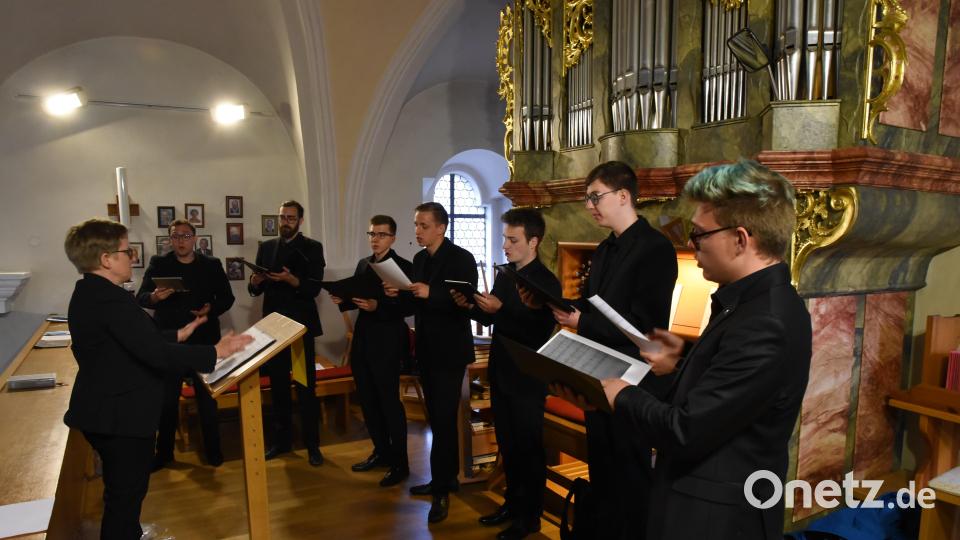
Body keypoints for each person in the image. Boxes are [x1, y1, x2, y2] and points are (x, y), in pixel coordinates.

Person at [597, 159, 812, 539]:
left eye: (699, 235)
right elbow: (721, 402)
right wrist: (673, 368)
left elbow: (686, 430)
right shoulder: (746, 302)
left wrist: (623, 394)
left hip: (717, 518)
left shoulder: (767, 321)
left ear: (741, 239)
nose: (692, 246)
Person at [63, 218, 251, 540]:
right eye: (126, 251)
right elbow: (153, 354)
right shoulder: (109, 299)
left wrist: (180, 333)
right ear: (106, 259)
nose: (132, 257)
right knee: (124, 500)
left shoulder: (90, 292)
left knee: (124, 496)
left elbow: (133, 341)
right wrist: (215, 352)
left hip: (107, 411)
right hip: (119, 416)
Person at [548, 161, 678, 540]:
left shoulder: (655, 248)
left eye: (595, 196)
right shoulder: (604, 249)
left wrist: (581, 323)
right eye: (587, 198)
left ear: (624, 196)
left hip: (633, 377)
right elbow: (595, 305)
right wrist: (566, 311)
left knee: (630, 473)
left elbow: (647, 327)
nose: (589, 205)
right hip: (599, 372)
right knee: (602, 468)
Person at [452, 208, 560, 540]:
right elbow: (495, 320)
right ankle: (512, 505)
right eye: (504, 239)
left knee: (529, 449)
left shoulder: (545, 281)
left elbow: (539, 331)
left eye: (512, 240)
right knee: (509, 446)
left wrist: (501, 310)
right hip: (502, 371)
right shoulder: (506, 274)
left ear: (534, 241)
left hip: (528, 378)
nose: (506, 246)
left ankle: (530, 519)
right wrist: (469, 305)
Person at [385, 202, 477, 523]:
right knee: (434, 420)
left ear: (441, 227)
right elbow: (416, 301)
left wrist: (429, 293)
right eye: (416, 225)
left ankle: (442, 490)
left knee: (442, 418)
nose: (418, 231)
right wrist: (400, 292)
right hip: (425, 349)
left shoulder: (461, 259)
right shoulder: (420, 259)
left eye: (423, 225)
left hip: (450, 352)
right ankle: (444, 479)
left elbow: (465, 302)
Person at [137, 219, 235, 469]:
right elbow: (141, 297)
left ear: (194, 238)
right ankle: (165, 453)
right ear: (170, 240)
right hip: (170, 341)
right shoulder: (159, 263)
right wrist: (155, 297)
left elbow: (227, 297)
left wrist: (210, 308)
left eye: (185, 236)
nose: (180, 241)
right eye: (175, 236)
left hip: (203, 340)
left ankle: (213, 451)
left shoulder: (211, 265)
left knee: (207, 400)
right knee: (167, 401)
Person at [332, 215, 414, 487]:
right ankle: (381, 451)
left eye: (381, 234)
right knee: (366, 399)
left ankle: (400, 464)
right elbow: (358, 296)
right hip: (364, 338)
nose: (375, 239)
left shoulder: (403, 266)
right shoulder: (363, 264)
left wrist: (378, 306)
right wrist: (342, 299)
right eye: (371, 234)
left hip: (388, 341)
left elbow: (408, 307)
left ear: (393, 237)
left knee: (388, 402)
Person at [248, 200, 326, 466]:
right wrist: (255, 281)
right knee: (278, 387)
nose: (285, 222)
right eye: (282, 217)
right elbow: (256, 290)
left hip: (300, 327)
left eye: (291, 218)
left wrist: (292, 280)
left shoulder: (312, 248)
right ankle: (281, 443)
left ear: (300, 221)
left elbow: (314, 289)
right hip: (274, 327)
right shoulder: (267, 247)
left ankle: (313, 445)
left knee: (305, 387)